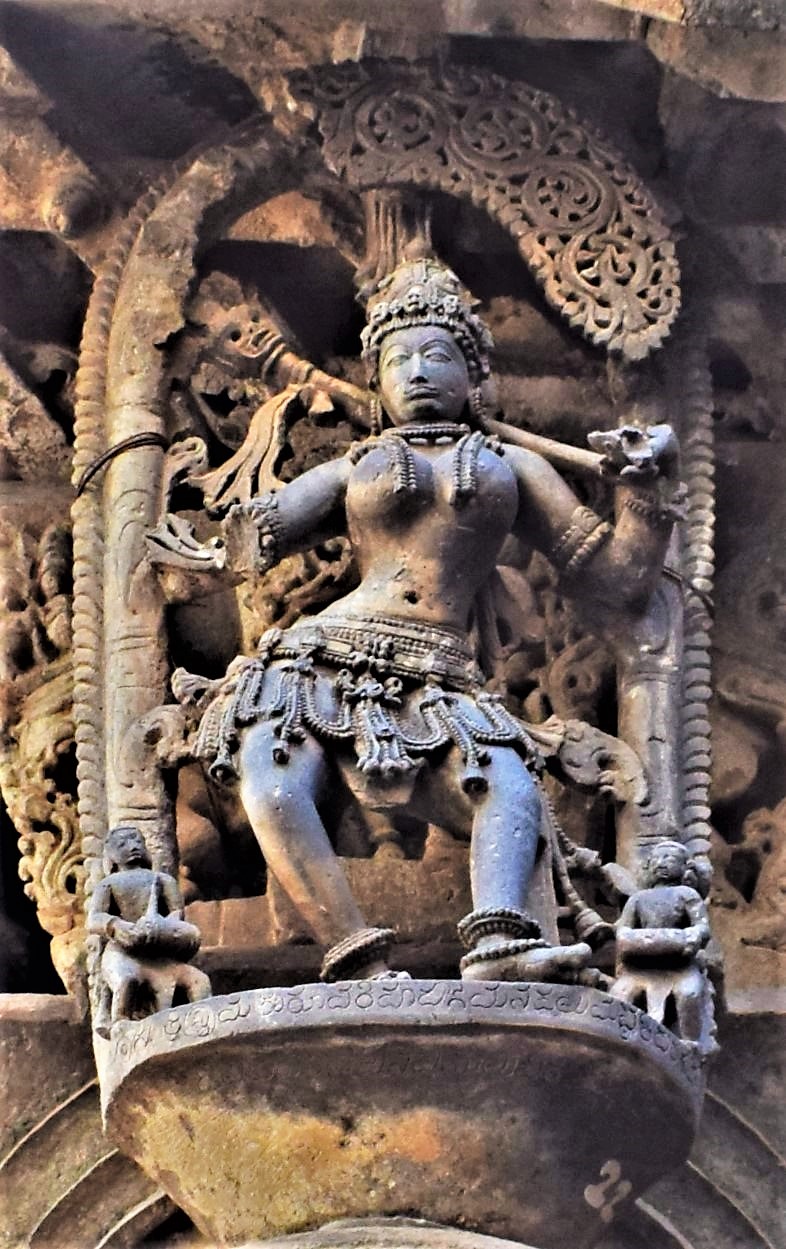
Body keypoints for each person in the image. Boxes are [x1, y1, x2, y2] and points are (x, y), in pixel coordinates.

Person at [172, 259, 682, 984]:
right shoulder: (359, 464)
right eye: (397, 359)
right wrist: (228, 532)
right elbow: (256, 539)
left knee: (510, 793)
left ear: (475, 378)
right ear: (376, 381)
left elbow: (620, 579)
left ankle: (503, 949)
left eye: (437, 355)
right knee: (275, 786)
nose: (416, 372)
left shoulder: (512, 467)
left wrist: (644, 492)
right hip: (325, 655)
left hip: (441, 674)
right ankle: (353, 956)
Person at [88, 824, 211, 1036]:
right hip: (125, 952)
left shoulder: (162, 880)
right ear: (111, 855)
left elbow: (176, 912)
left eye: (137, 841)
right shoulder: (108, 884)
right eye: (123, 844)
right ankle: (120, 1023)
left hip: (160, 953)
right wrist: (117, 926)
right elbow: (94, 919)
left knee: (199, 981)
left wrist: (162, 926)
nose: (132, 846)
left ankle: (204, 1022)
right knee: (127, 980)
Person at [611, 839, 716, 1052]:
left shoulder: (687, 894)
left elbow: (702, 928)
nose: (662, 863)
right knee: (620, 994)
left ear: (685, 868)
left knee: (689, 993)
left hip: (680, 967)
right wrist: (630, 938)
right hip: (640, 968)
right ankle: (619, 1043)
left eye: (670, 858)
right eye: (657, 859)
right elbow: (623, 930)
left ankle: (691, 1045)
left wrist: (693, 935)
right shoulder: (638, 899)